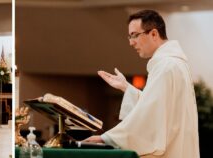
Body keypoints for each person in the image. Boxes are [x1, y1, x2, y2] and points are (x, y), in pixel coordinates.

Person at [83, 10, 200, 158]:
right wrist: (126, 87)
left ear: (153, 34)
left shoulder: (165, 66)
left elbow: (149, 115)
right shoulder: (175, 63)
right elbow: (158, 107)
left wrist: (106, 138)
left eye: (135, 35)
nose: (131, 42)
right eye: (129, 36)